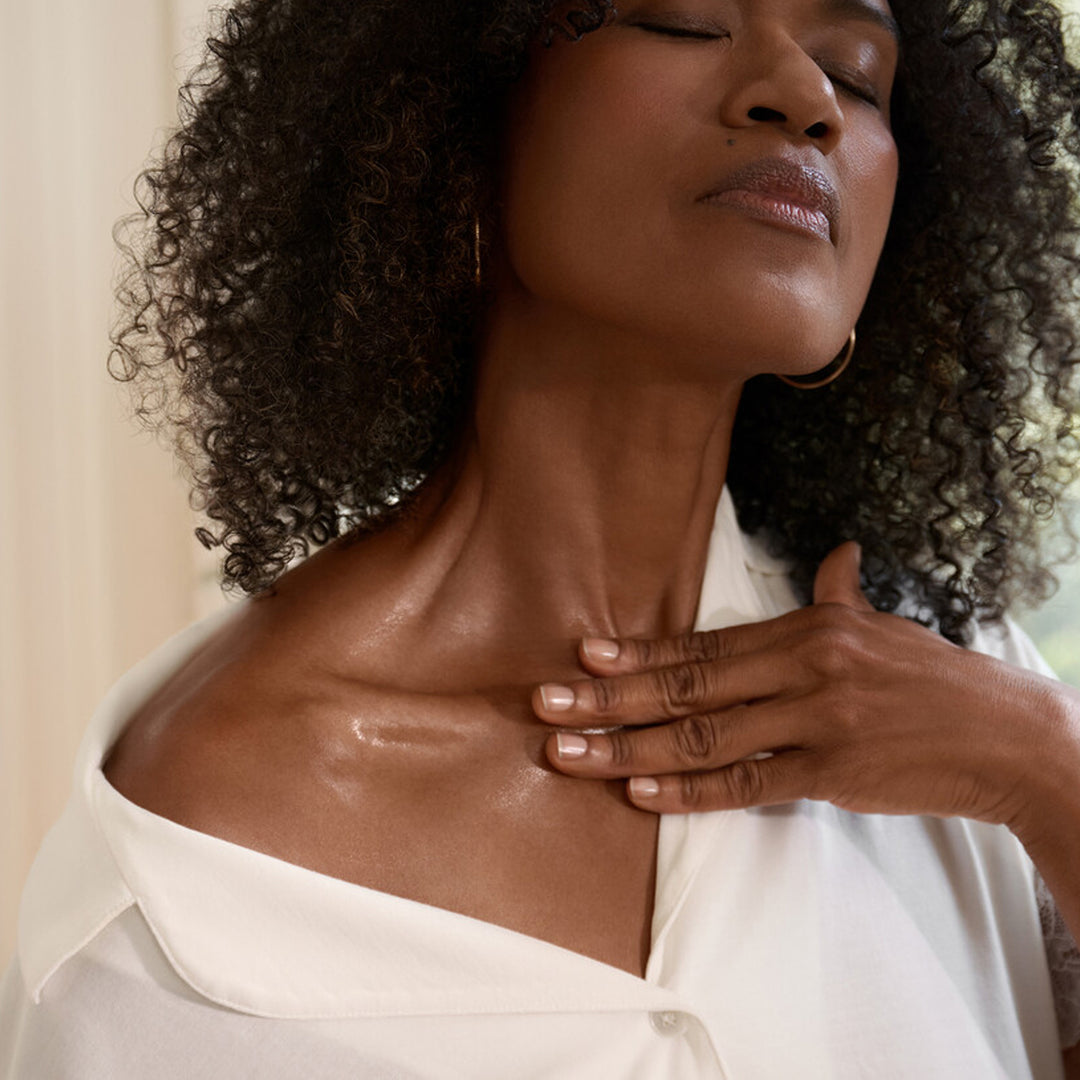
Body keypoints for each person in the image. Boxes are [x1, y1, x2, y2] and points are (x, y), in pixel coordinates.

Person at [3, 0, 1080, 1075]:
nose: (804, 100)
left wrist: (1045, 766)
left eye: (853, 72)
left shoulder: (961, 699)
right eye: (683, 19)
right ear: (456, 124)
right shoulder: (187, 899)